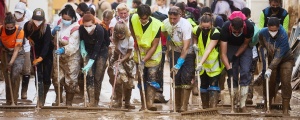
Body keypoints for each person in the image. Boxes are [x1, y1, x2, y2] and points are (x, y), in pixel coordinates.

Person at [129, 4, 163, 111]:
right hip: (140, 54)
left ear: (149, 15)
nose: (143, 21)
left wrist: (144, 60)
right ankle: (143, 104)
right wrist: (135, 40)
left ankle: (150, 104)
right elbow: (131, 27)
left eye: (145, 18)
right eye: (141, 18)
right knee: (141, 79)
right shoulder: (133, 18)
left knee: (151, 77)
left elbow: (154, 45)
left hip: (153, 55)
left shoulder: (157, 25)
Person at [220, 11, 254, 113]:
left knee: (245, 71)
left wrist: (236, 55)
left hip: (244, 48)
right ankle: (233, 103)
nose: (237, 33)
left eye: (239, 32)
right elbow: (223, 53)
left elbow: (245, 44)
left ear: (243, 27)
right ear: (231, 26)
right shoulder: (225, 28)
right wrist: (228, 68)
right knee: (232, 74)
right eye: (235, 31)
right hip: (230, 46)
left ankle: (242, 105)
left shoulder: (249, 27)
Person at [259, 17, 294, 115]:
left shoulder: (283, 34)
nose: (273, 32)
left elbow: (279, 55)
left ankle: (285, 109)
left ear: (278, 27)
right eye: (271, 30)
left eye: (275, 30)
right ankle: (267, 105)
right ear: (267, 27)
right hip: (270, 58)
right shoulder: (263, 32)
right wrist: (264, 53)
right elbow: (261, 44)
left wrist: (270, 68)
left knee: (286, 81)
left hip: (285, 59)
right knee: (269, 81)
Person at [162, 6, 194, 112]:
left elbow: (185, 47)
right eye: (170, 18)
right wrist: (169, 39)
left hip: (187, 52)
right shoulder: (166, 23)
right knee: (176, 77)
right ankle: (177, 105)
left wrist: (179, 63)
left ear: (180, 15)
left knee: (186, 76)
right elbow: (164, 32)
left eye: (174, 19)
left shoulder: (186, 25)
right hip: (174, 50)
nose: (172, 21)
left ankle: (184, 106)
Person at [51, 5, 80, 106]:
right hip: (58, 54)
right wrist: (53, 32)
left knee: (71, 79)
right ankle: (58, 99)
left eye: (68, 19)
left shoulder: (76, 28)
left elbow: (73, 45)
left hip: (71, 56)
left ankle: (69, 102)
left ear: (73, 18)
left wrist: (64, 49)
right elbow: (51, 35)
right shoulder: (58, 22)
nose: (65, 20)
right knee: (56, 77)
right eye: (64, 18)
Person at [24, 8, 54, 106]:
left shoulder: (46, 28)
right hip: (35, 51)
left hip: (47, 53)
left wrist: (41, 58)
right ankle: (40, 99)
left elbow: (47, 44)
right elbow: (25, 34)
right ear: (32, 19)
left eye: (40, 20)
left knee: (46, 77)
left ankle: (44, 94)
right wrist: (29, 38)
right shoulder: (27, 25)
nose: (37, 22)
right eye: (36, 19)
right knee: (38, 76)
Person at [192, 15, 223, 109]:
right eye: (203, 27)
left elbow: (208, 49)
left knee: (213, 85)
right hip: (202, 65)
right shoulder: (196, 29)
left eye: (207, 28)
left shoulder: (216, 33)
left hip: (213, 64)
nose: (205, 29)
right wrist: (194, 43)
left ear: (212, 25)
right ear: (200, 24)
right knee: (203, 85)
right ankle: (205, 108)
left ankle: (213, 108)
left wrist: (200, 63)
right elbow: (194, 35)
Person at [79, 12, 108, 107]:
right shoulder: (81, 29)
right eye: (85, 26)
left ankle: (96, 100)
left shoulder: (100, 30)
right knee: (89, 76)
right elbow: (81, 39)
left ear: (94, 23)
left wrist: (90, 62)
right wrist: (82, 48)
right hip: (88, 51)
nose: (88, 28)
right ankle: (91, 100)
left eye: (90, 26)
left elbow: (98, 47)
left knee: (97, 77)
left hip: (101, 51)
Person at [107, 21, 136, 109]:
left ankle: (127, 102)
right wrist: (116, 52)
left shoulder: (130, 39)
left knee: (129, 83)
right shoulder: (115, 37)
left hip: (129, 61)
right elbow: (115, 47)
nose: (119, 35)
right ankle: (118, 101)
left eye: (121, 33)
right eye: (117, 33)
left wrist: (122, 59)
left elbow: (129, 53)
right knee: (118, 80)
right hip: (118, 60)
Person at [0, 12, 25, 105]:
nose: (10, 29)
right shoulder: (0, 30)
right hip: (5, 52)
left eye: (12, 27)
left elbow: (16, 50)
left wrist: (10, 63)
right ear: (4, 25)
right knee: (7, 77)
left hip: (18, 53)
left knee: (15, 74)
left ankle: (14, 100)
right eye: (8, 28)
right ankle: (8, 100)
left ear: (15, 25)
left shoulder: (20, 31)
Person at [241, 7, 260, 105]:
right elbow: (257, 39)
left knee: (243, 74)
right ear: (250, 15)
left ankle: (242, 96)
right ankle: (248, 96)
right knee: (250, 75)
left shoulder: (241, 25)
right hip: (253, 54)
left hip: (245, 54)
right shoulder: (254, 25)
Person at [14, 2, 31, 100]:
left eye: (20, 13)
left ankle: (24, 92)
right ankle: (14, 92)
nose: (18, 14)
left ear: (24, 13)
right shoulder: (11, 21)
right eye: (16, 12)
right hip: (13, 48)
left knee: (26, 70)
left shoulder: (27, 23)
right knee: (14, 71)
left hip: (26, 48)